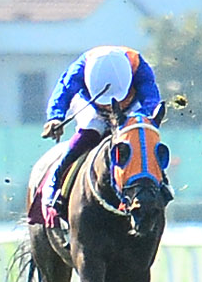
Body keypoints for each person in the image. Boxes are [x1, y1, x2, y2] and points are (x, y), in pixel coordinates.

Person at [34, 45, 162, 224]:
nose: (109, 105)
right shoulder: (81, 67)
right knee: (89, 134)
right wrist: (55, 117)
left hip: (130, 108)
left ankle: (161, 186)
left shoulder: (138, 65)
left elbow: (151, 98)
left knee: (140, 139)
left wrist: (145, 117)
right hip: (92, 105)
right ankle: (55, 184)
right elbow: (64, 89)